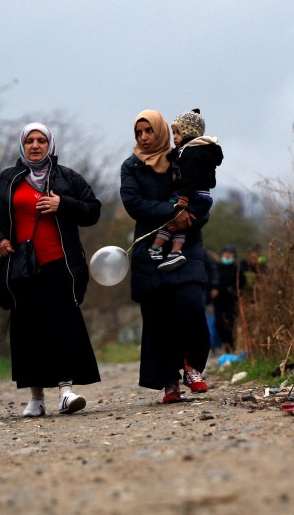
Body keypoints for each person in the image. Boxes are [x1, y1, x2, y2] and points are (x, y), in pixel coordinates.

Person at [0, 122, 101, 417]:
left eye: (41, 140)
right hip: (21, 268)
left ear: (50, 145)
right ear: (22, 145)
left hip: (60, 265)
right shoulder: (6, 180)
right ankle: (36, 398)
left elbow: (93, 209)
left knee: (63, 326)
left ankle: (66, 392)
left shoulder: (66, 177)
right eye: (30, 140)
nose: (35, 145)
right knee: (29, 331)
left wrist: (63, 203)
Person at [120, 110, 211, 404]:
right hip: (151, 250)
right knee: (158, 320)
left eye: (149, 131)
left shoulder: (183, 158)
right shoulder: (131, 167)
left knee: (192, 308)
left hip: (187, 247)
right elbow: (135, 204)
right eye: (138, 133)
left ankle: (191, 365)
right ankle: (169, 380)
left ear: (159, 132)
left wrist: (191, 217)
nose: (144, 138)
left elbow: (203, 196)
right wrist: (173, 212)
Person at [148, 109, 223, 272]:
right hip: (203, 196)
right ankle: (175, 252)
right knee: (182, 225)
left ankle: (158, 247)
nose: (174, 137)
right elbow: (177, 157)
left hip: (192, 194)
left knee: (172, 219)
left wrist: (182, 201)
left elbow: (189, 179)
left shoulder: (191, 154)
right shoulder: (198, 151)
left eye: (177, 133)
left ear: (188, 133)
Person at [212, 245, 246, 352]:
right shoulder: (216, 268)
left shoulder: (237, 269)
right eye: (226, 253)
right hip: (218, 301)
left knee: (231, 324)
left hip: (232, 301)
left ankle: (231, 346)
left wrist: (236, 292)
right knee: (218, 324)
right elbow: (211, 281)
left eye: (230, 254)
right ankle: (225, 343)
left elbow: (242, 284)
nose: (227, 256)